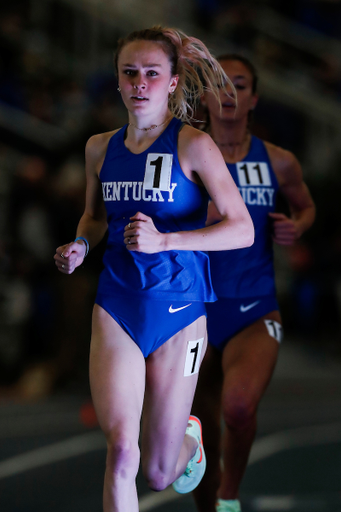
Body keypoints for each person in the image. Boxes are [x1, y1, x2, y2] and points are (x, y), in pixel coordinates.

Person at [53, 29, 254, 512]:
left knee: (160, 473)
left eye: (151, 73)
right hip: (118, 302)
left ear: (171, 82)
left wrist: (166, 240)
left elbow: (242, 229)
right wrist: (81, 244)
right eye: (129, 73)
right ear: (118, 82)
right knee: (122, 450)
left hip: (180, 310)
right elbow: (95, 218)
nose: (139, 83)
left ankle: (189, 439)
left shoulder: (193, 145)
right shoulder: (99, 148)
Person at [192, 55, 316, 512]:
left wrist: (297, 226)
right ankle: (209, 500)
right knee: (197, 425)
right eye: (217, 84)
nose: (228, 93)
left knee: (239, 408)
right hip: (191, 309)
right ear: (203, 96)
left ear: (254, 98)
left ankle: (228, 498)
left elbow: (306, 206)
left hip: (253, 307)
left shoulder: (277, 161)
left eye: (238, 85)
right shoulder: (183, 153)